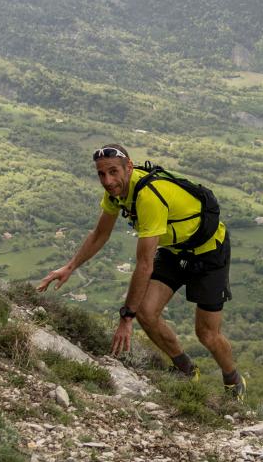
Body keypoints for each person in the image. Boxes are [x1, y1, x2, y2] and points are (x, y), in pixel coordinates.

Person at [37, 143, 245, 400]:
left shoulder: (148, 196)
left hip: (208, 253)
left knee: (207, 334)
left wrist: (126, 318)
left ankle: (233, 381)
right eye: (102, 174)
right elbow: (101, 233)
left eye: (113, 172)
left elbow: (145, 263)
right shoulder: (116, 193)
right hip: (174, 250)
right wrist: (70, 267)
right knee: (147, 313)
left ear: (130, 167)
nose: (108, 180)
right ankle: (186, 370)